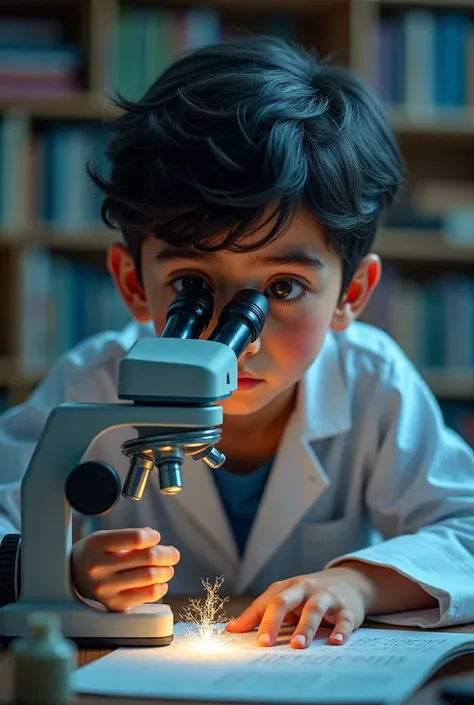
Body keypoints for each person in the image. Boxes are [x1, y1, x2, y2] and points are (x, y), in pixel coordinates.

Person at [1, 35, 474, 651]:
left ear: (352, 293)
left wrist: (360, 583)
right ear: (132, 283)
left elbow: (466, 530)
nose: (233, 344)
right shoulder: (91, 378)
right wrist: (59, 567)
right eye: (192, 286)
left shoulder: (373, 384)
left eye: (283, 286)